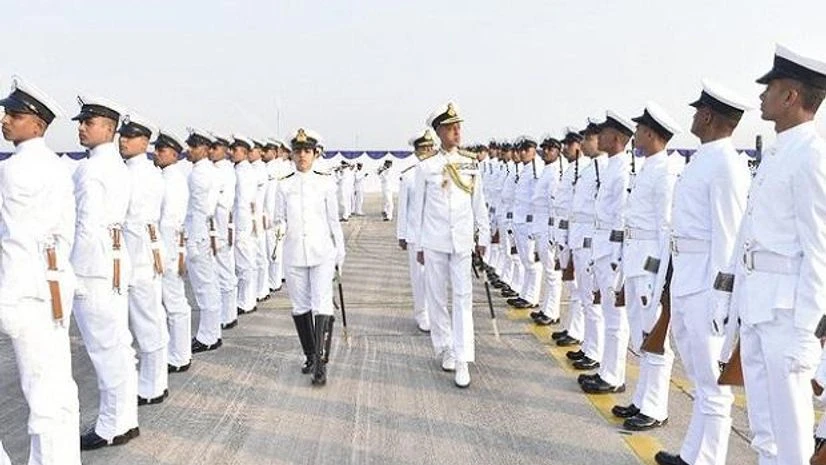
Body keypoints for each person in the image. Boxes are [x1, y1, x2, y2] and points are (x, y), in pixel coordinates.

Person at [726, 44, 826, 465]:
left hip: (788, 315)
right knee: (764, 427)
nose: (761, 96)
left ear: (791, 97)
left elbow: (820, 250)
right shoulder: (778, 152)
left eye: (770, 88)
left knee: (791, 431)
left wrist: (808, 331)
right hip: (759, 306)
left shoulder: (811, 156)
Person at [653, 81, 752, 465]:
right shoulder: (705, 158)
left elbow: (729, 239)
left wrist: (721, 299)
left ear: (708, 117)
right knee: (698, 377)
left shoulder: (727, 163)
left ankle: (706, 460)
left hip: (706, 286)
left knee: (713, 384)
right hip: (688, 278)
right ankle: (692, 455)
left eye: (697, 112)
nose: (693, 117)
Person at [0, 77, 81, 463]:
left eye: (13, 114)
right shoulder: (58, 168)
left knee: (44, 397)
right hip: (53, 287)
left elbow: (10, 240)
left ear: (37, 124)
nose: (4, 120)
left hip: (26, 293)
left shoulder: (15, 170)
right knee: (57, 392)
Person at [71, 95, 140, 449]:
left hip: (94, 267)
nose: (81, 128)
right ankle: (125, 419)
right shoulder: (119, 167)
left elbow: (84, 226)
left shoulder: (90, 169)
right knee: (119, 346)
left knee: (104, 350)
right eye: (81, 123)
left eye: (88, 123)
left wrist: (73, 276)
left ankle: (110, 425)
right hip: (114, 259)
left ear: (109, 129)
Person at [409, 102, 490, 388]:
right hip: (434, 240)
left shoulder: (470, 163)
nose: (457, 131)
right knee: (437, 298)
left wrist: (484, 234)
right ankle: (445, 347)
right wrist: (417, 244)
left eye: (459, 126)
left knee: (463, 298)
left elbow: (478, 202)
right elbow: (416, 209)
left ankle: (463, 357)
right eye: (451, 127)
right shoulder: (426, 166)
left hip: (463, 241)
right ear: (439, 132)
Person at [612, 102, 682, 431]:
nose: (634, 134)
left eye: (639, 130)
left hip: (650, 267)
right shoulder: (649, 168)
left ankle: (655, 408)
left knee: (655, 338)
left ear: (651, 134)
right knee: (642, 336)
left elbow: (664, 230)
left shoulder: (665, 172)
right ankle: (641, 400)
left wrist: (659, 277)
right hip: (636, 261)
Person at [274, 128, 346, 386]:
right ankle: (309, 355)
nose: (302, 155)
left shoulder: (325, 182)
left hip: (321, 252)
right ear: (291, 155)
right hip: (294, 253)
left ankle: (321, 363)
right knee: (300, 307)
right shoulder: (283, 184)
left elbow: (333, 221)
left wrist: (340, 251)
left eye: (307, 151)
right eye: (297, 151)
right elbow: (278, 218)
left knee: (322, 303)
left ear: (315, 154)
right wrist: (279, 229)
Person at [580, 111, 634, 394]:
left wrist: (616, 263)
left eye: (602, 133)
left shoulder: (622, 169)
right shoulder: (612, 166)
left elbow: (621, 221)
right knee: (609, 317)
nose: (597, 137)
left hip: (612, 255)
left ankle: (613, 376)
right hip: (601, 250)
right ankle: (605, 369)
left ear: (615, 138)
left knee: (615, 321)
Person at [118, 113, 169, 405]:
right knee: (151, 318)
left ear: (145, 141)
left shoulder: (140, 174)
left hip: (139, 254)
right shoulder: (142, 171)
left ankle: (151, 386)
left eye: (130, 136)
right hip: (143, 250)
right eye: (122, 136)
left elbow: (131, 219)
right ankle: (155, 381)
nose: (123, 140)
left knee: (147, 320)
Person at [566, 119, 605, 371]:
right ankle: (588, 346)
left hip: (592, 241)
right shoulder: (591, 167)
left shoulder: (605, 168)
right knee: (585, 296)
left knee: (594, 301)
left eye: (588, 138)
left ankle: (596, 352)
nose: (583, 143)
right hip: (580, 238)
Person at [153, 130, 193, 373]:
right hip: (166, 246)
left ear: (175, 154)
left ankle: (179, 356)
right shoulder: (166, 176)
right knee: (172, 303)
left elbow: (171, 221)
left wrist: (169, 255)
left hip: (167, 248)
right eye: (156, 149)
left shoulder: (173, 179)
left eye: (162, 150)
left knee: (175, 303)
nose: (157, 153)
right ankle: (179, 353)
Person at [185, 128, 223, 353]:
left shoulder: (199, 173)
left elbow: (201, 210)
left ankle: (208, 336)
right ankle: (212, 333)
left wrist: (193, 239)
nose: (189, 150)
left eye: (194, 146)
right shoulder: (210, 170)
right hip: (205, 233)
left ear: (206, 149)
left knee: (203, 288)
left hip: (198, 234)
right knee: (210, 286)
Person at [396, 128, 437, 332]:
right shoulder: (409, 175)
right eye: (423, 148)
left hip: (436, 234)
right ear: (416, 151)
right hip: (415, 235)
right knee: (419, 277)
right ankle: (422, 313)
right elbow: (403, 207)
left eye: (430, 147)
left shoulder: (439, 172)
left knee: (435, 276)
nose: (428, 151)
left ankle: (435, 312)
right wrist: (402, 235)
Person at [508, 137, 545, 310]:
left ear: (533, 150)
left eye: (525, 149)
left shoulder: (537, 169)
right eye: (520, 150)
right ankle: (524, 294)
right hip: (519, 221)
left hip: (529, 223)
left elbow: (537, 200)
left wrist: (533, 225)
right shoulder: (526, 168)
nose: (521, 153)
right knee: (525, 260)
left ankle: (532, 297)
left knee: (531, 263)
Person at [530, 137, 565, 325]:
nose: (546, 152)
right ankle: (546, 308)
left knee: (552, 273)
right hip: (541, 225)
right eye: (544, 149)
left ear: (557, 151)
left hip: (548, 227)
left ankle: (552, 312)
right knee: (547, 272)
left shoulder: (554, 173)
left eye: (550, 149)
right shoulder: (547, 170)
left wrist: (553, 234)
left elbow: (554, 205)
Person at [230, 134, 259, 315]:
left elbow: (242, 202)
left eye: (235, 150)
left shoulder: (243, 172)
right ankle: (248, 299)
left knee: (244, 264)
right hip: (244, 222)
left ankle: (245, 302)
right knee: (247, 263)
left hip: (242, 223)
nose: (231, 152)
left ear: (244, 152)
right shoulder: (243, 170)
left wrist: (239, 227)